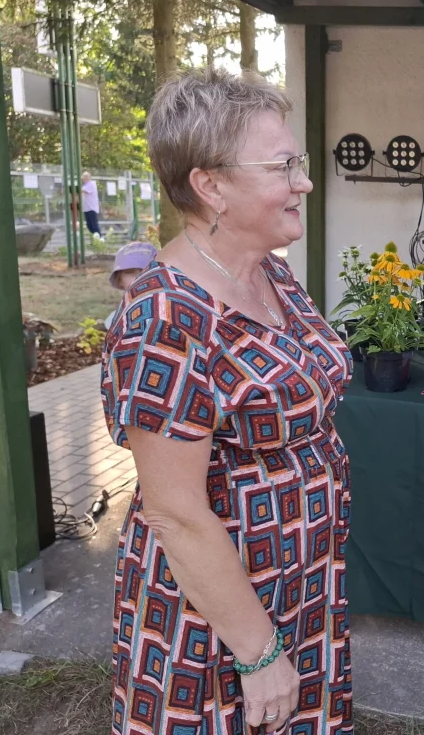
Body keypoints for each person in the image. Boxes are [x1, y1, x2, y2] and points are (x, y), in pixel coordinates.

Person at [101, 69, 353, 735]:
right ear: (210, 185)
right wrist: (259, 652)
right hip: (218, 613)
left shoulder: (271, 271)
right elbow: (176, 512)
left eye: (298, 162)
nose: (303, 182)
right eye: (283, 167)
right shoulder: (164, 317)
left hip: (295, 584)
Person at [104, 240, 157, 328]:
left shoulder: (172, 315)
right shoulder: (114, 321)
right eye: (130, 272)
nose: (140, 277)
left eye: (148, 271)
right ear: (119, 279)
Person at [80, 171, 102, 236]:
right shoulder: (84, 185)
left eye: (87, 176)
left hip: (91, 208)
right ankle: (94, 239)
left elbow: (85, 191)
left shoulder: (91, 183)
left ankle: (99, 239)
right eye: (84, 176)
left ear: (90, 177)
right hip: (86, 208)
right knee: (89, 225)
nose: (85, 178)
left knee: (94, 225)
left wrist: (74, 189)